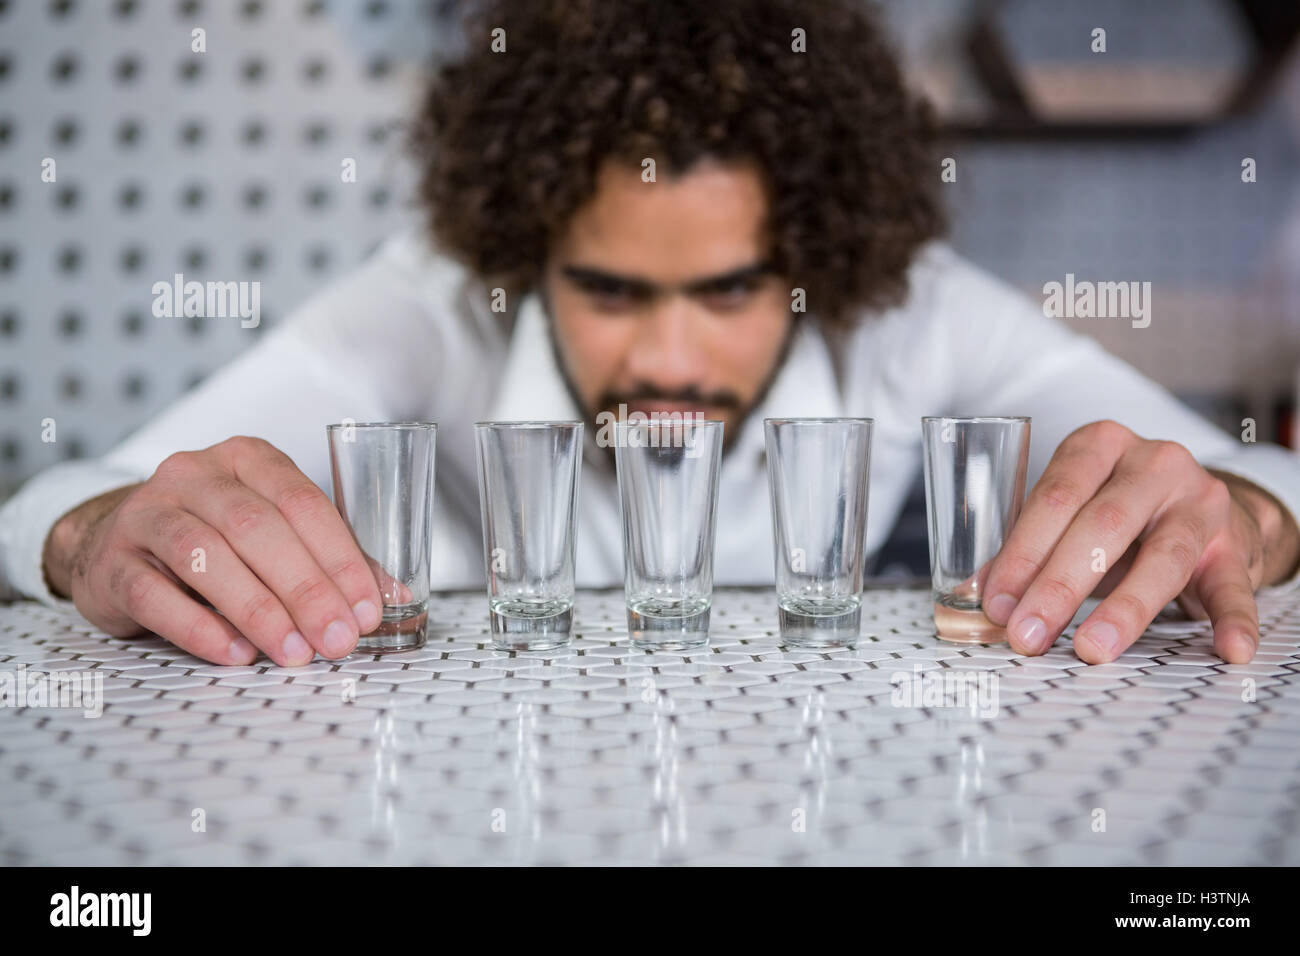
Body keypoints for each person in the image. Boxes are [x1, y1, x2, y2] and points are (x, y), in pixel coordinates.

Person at [3, 0, 1298, 670]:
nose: (669, 359)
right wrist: (92, 538)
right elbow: (70, 502)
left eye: (732, 290)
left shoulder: (910, 309)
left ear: (821, 259)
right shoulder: (438, 299)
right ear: (525, 253)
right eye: (612, 292)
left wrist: (1234, 513)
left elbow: (1263, 495)